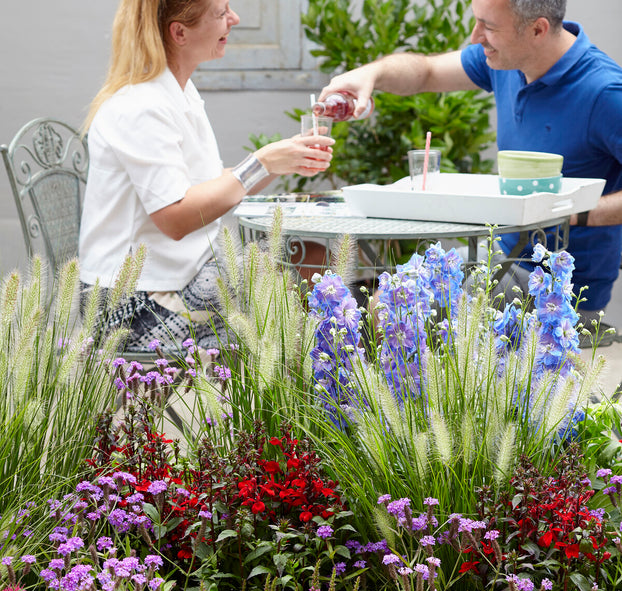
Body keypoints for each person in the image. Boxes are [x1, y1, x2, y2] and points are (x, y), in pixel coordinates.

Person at [319, 0, 622, 340]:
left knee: (393, 311)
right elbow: (426, 71)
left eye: (489, 27)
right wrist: (369, 75)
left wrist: (572, 211)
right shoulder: (507, 59)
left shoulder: (605, 92)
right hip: (498, 257)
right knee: (384, 301)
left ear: (537, 29)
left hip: (557, 295)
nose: (475, 36)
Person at [79, 0, 334, 351]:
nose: (235, 19)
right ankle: (323, 373)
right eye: (221, 12)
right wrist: (262, 162)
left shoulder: (178, 92)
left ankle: (314, 371)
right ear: (179, 32)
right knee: (309, 267)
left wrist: (282, 160)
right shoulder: (140, 107)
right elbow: (175, 217)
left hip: (182, 276)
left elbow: (209, 185)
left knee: (312, 258)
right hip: (137, 303)